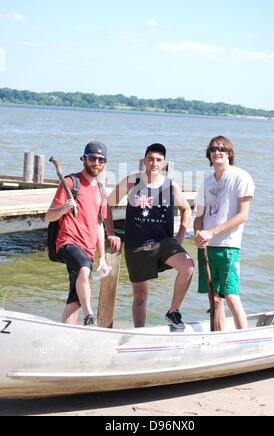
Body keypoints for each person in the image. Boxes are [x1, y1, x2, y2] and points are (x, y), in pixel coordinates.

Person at [105, 143, 194, 329]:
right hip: (136, 245)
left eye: (158, 160)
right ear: (144, 161)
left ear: (164, 164)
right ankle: (139, 333)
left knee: (187, 265)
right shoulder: (132, 181)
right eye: (151, 159)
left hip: (163, 243)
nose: (154, 163)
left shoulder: (171, 186)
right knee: (140, 297)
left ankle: (173, 311)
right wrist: (111, 233)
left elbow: (186, 209)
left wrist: (180, 236)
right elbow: (107, 205)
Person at [45, 141, 121, 326]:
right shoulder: (71, 182)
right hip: (67, 242)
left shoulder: (101, 190)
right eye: (92, 158)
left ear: (105, 163)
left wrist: (102, 257)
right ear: (83, 159)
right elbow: (49, 216)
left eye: (101, 160)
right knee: (83, 270)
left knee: (75, 300)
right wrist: (64, 208)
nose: (96, 162)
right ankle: (90, 317)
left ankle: (66, 334)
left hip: (87, 249)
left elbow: (98, 225)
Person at [194, 136, 255, 331]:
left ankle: (245, 338)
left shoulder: (240, 177)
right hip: (207, 247)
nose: (217, 151)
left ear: (229, 153)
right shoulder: (206, 182)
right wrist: (198, 235)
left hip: (228, 245)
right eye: (213, 149)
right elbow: (199, 217)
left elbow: (243, 215)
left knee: (230, 296)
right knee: (215, 299)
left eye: (221, 148)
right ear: (209, 155)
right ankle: (219, 339)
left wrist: (212, 232)